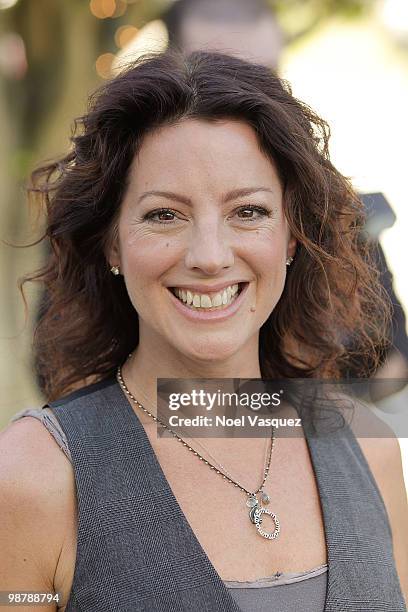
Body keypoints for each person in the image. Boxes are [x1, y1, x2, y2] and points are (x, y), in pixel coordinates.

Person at [0, 50, 407, 611]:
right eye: (164, 214)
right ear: (113, 242)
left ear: (291, 235)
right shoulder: (34, 477)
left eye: (248, 212)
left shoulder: (369, 447)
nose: (210, 257)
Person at [163, 0, 408, 394]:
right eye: (214, 80)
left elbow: (390, 362)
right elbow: (68, 371)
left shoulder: (331, 209)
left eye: (266, 81)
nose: (246, 104)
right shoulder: (120, 207)